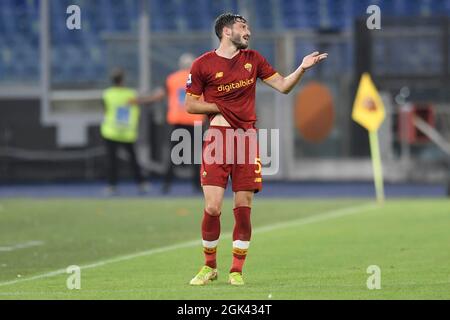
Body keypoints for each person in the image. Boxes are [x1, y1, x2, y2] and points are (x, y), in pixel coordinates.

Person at [185, 13, 327, 286]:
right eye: (242, 27)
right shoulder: (202, 64)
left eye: (248, 26)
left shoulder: (254, 60)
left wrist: (301, 68)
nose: (248, 31)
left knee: (243, 205)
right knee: (213, 207)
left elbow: (283, 86)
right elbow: (190, 105)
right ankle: (209, 266)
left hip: (246, 139)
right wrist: (222, 107)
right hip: (217, 139)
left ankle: (236, 269)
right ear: (227, 32)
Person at [137, 54, 205, 194]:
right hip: (195, 120)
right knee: (196, 156)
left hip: (177, 121)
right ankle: (197, 186)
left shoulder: (172, 78)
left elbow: (159, 95)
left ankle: (167, 185)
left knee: (174, 155)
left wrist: (142, 100)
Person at [101, 68, 149, 195]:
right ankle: (141, 184)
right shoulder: (129, 94)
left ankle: (112, 186)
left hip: (110, 132)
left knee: (112, 161)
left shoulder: (107, 94)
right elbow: (142, 101)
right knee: (133, 161)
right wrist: (156, 97)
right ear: (122, 80)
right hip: (126, 133)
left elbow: (105, 110)